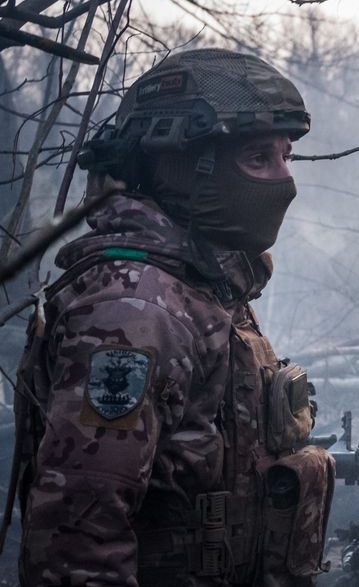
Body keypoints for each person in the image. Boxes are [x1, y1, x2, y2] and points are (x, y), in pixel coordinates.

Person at [8, 49, 335, 586]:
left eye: (286, 156)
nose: (285, 180)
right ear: (181, 167)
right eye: (258, 159)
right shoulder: (132, 309)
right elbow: (80, 543)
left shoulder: (204, 284)